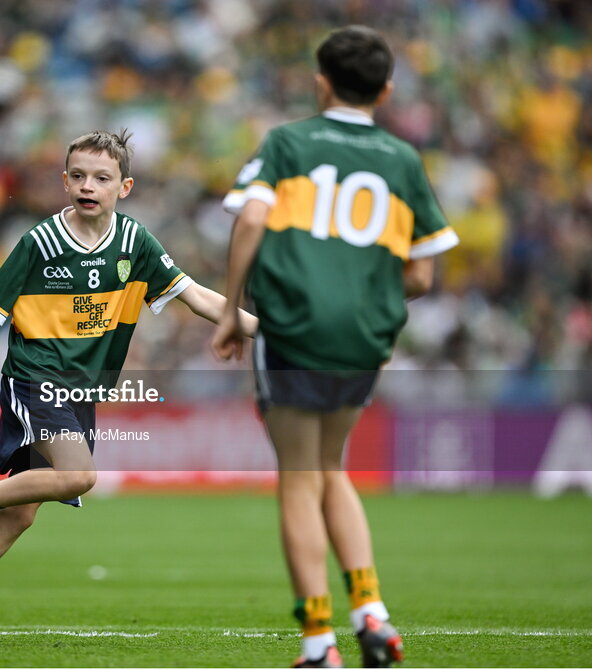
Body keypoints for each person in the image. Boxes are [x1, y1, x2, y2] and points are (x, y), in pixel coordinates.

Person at [0, 129, 258, 644]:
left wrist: (272, 331)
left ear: (124, 186)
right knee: (80, 476)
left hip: (79, 395)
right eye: (78, 176)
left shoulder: (135, 243)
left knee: (18, 516)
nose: (88, 185)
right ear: (64, 181)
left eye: (102, 178)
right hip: (36, 379)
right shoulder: (41, 242)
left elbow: (198, 297)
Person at [211, 26, 459, 669]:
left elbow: (253, 219)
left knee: (298, 480)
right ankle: (372, 614)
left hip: (293, 326)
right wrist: (359, 296)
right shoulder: (403, 159)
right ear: (387, 89)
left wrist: (234, 311)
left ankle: (320, 643)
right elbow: (423, 275)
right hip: (363, 337)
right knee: (332, 468)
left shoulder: (288, 142)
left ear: (320, 81)